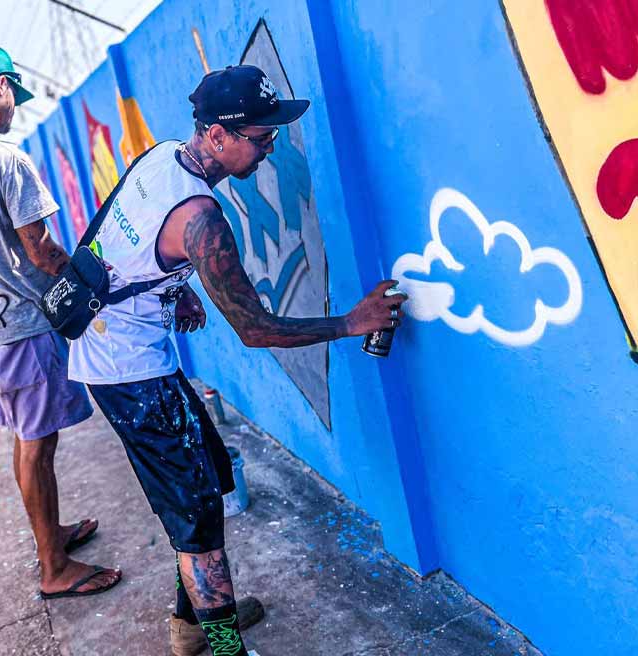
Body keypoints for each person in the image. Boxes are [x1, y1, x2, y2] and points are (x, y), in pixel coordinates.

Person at [67, 65, 408, 655]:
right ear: (219, 136)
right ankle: (225, 649)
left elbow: (111, 239)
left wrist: (174, 285)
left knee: (206, 489)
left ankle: (192, 625)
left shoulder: (162, 156)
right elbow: (256, 330)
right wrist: (352, 323)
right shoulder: (202, 220)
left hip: (122, 353)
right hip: (129, 372)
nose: (270, 146)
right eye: (261, 135)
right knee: (197, 525)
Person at [0, 45, 121, 599]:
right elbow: (40, 250)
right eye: (14, 97)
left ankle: (49, 535)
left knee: (25, 436)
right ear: (0, 86)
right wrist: (95, 285)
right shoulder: (5, 159)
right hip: (20, 325)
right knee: (38, 443)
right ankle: (54, 567)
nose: (14, 110)